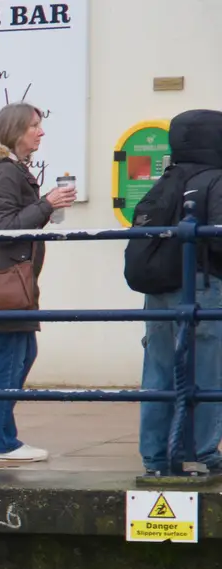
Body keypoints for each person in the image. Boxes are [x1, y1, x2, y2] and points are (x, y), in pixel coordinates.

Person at [0, 102, 78, 463]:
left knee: (21, 352)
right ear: (15, 131)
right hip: (5, 277)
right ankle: (0, 442)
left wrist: (45, 206)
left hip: (13, 275)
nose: (41, 132)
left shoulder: (7, 169)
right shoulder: (2, 172)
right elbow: (1, 228)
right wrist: (46, 204)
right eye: (34, 126)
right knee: (12, 355)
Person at [134, 110, 222, 476]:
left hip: (158, 291)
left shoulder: (164, 182)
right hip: (203, 288)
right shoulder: (216, 180)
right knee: (207, 374)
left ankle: (156, 458)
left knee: (159, 373)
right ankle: (202, 454)